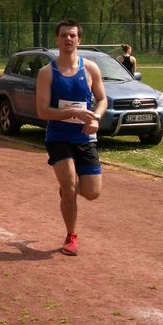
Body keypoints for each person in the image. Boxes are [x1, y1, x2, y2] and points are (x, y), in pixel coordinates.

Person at [36, 19, 107, 256]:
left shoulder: (91, 69)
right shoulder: (47, 73)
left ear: (79, 39)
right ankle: (71, 236)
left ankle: (69, 190)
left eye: (73, 35)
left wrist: (96, 118)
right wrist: (73, 112)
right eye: (64, 35)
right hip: (58, 137)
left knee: (92, 192)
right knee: (69, 187)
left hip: (85, 138)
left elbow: (102, 99)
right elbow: (42, 111)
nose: (68, 39)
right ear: (57, 40)